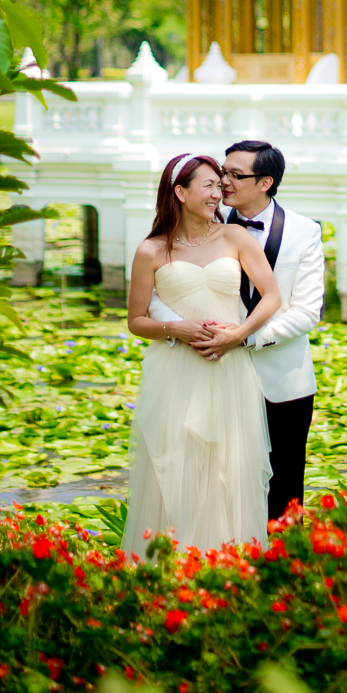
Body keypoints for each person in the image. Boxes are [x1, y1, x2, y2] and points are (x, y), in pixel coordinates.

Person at [149, 139, 323, 522]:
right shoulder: (201, 220)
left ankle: (279, 570)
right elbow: (166, 285)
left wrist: (242, 337)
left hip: (280, 381)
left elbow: (308, 311)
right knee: (214, 483)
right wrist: (183, 328)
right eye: (222, 173)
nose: (223, 183)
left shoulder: (304, 232)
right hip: (211, 375)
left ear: (265, 182)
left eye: (234, 175)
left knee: (284, 490)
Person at [123, 152, 281, 556]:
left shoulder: (235, 237)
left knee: (230, 469)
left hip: (229, 370)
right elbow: (136, 321)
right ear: (180, 192)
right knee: (175, 470)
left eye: (220, 184)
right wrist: (174, 328)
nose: (219, 192)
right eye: (209, 185)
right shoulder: (151, 250)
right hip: (176, 371)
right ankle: (174, 573)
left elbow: (272, 296)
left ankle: (229, 571)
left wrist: (239, 335)